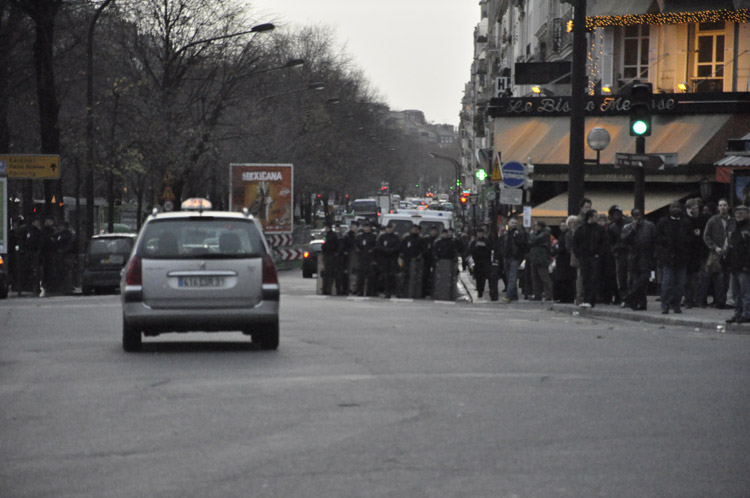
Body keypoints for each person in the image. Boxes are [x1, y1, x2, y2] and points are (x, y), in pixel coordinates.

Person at [656, 201, 691, 314]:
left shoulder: (685, 222)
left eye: (678, 207)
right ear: (670, 209)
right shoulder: (663, 222)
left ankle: (676, 304)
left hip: (682, 257)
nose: (676, 209)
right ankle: (665, 305)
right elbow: (658, 239)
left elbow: (690, 238)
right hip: (668, 257)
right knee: (667, 282)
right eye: (673, 207)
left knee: (680, 283)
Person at [620, 208, 656, 310]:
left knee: (643, 279)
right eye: (635, 216)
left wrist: (654, 255)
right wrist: (633, 230)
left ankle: (631, 297)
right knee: (635, 280)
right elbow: (625, 240)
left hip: (646, 255)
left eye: (639, 215)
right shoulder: (628, 227)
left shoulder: (649, 226)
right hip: (633, 255)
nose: (638, 218)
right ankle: (640, 302)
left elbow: (654, 240)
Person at [703, 198, 734, 309]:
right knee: (718, 278)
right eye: (720, 205)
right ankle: (719, 301)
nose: (723, 207)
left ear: (728, 207)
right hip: (717, 253)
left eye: (725, 205)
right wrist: (715, 247)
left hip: (730, 253)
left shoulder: (733, 220)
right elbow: (706, 236)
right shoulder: (713, 220)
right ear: (717, 207)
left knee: (728, 278)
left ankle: (728, 301)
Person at [573, 209, 606, 308]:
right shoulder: (581, 229)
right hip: (584, 257)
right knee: (585, 279)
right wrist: (579, 254)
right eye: (595, 216)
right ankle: (586, 299)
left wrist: (599, 254)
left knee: (593, 278)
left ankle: (590, 300)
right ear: (590, 217)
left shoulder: (600, 229)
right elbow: (575, 243)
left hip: (594, 257)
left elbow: (604, 244)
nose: (597, 218)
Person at [725, 205, 750, 324]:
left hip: (744, 267)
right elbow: (731, 247)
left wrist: (747, 265)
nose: (738, 215)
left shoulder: (747, 230)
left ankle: (747, 314)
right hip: (734, 267)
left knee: (745, 292)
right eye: (737, 213)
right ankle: (738, 313)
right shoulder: (735, 230)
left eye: (741, 212)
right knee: (735, 293)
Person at [684, 198, 710, 308]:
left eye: (696, 207)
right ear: (689, 209)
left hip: (702, 252)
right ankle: (689, 299)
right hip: (690, 253)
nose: (696, 210)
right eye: (693, 208)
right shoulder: (686, 220)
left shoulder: (703, 219)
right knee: (690, 278)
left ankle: (700, 299)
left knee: (704, 276)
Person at [500, 217, 527, 302]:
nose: (513, 224)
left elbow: (523, 245)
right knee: (509, 277)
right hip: (506, 257)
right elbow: (502, 244)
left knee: (513, 277)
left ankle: (508, 296)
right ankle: (514, 296)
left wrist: (517, 237)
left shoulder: (519, 233)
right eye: (512, 223)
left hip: (515, 257)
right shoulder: (506, 233)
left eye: (515, 223)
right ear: (508, 223)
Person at [552, 217, 577, 303]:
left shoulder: (567, 235)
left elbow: (565, 248)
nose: (563, 227)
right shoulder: (563, 235)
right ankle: (564, 297)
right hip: (563, 260)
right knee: (563, 280)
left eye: (564, 225)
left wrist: (557, 250)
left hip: (566, 260)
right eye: (561, 226)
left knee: (566, 279)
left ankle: (567, 297)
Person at [527, 220, 553, 301]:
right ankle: (537, 294)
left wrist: (533, 235)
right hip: (535, 257)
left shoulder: (545, 233)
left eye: (536, 225)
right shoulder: (538, 233)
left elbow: (534, 240)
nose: (535, 227)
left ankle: (549, 294)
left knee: (544, 277)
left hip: (541, 258)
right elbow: (530, 241)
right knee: (535, 278)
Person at [608, 205, 629, 305]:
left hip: (628, 252)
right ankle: (623, 297)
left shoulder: (627, 224)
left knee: (629, 276)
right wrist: (615, 250)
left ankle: (629, 296)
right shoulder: (612, 227)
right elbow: (610, 242)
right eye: (615, 214)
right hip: (619, 254)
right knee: (621, 276)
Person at [400, 224, 425, 298]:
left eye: (416, 229)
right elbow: (402, 248)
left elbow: (423, 250)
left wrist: (419, 257)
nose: (414, 230)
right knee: (405, 277)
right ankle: (405, 293)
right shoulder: (407, 238)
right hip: (407, 261)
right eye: (413, 229)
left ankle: (415, 293)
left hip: (416, 262)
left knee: (416, 278)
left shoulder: (420, 239)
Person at [376, 223, 401, 298]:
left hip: (393, 259)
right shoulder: (382, 237)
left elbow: (398, 247)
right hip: (384, 259)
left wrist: (391, 251)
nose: (389, 229)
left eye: (390, 228)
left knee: (393, 276)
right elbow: (379, 246)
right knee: (385, 276)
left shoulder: (396, 237)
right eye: (388, 228)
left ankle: (395, 292)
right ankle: (387, 292)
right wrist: (385, 251)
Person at [354, 222, 377, 296]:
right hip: (361, 258)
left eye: (368, 227)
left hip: (370, 258)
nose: (366, 229)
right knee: (361, 276)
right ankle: (359, 291)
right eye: (365, 227)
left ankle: (370, 291)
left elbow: (376, 246)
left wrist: (372, 250)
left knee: (371, 276)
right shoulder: (360, 236)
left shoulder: (373, 236)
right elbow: (356, 245)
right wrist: (357, 250)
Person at [468, 226, 492, 298]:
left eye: (481, 233)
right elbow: (470, 251)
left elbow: (490, 250)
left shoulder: (486, 241)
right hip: (477, 261)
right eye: (479, 233)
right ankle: (480, 291)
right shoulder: (474, 242)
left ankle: (482, 289)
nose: (480, 234)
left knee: (484, 277)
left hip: (485, 261)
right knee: (478, 277)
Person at [336, 221, 358, 296]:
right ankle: (349, 288)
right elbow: (345, 247)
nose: (356, 228)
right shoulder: (348, 236)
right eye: (355, 227)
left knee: (351, 273)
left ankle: (350, 288)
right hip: (348, 257)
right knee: (349, 273)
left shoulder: (353, 235)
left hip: (351, 257)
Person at [55, 221, 76, 295]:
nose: (59, 227)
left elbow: (68, 245)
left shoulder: (67, 234)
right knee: (65, 271)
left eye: (61, 226)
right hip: (64, 255)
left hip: (66, 255)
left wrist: (62, 251)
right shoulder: (60, 234)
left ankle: (67, 287)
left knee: (67, 271)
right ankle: (66, 287)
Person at [320, 223, 339, 295]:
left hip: (330, 256)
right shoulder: (327, 235)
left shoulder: (331, 235)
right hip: (328, 255)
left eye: (325, 227)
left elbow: (331, 245)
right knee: (326, 274)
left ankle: (327, 289)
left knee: (329, 274)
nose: (325, 229)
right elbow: (324, 243)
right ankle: (326, 289)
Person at [422, 225, 440, 297]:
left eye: (434, 231)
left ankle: (433, 292)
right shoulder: (426, 239)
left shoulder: (438, 240)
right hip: (426, 260)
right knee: (425, 276)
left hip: (435, 261)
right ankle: (423, 292)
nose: (433, 232)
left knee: (435, 277)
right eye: (432, 231)